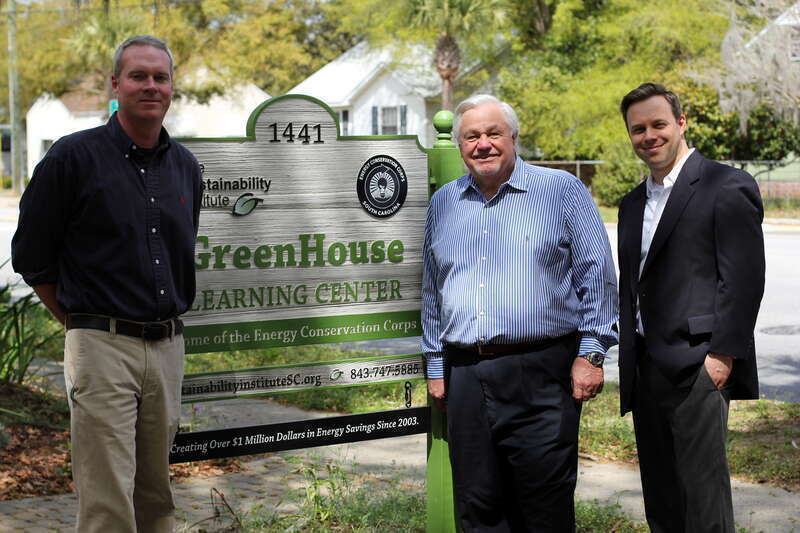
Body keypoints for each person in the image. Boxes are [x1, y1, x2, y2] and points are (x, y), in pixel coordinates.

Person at [12, 35, 202, 532]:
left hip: (166, 349)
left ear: (172, 87)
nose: (151, 86)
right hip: (100, 345)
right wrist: (82, 326)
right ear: (114, 84)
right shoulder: (72, 159)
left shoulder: (185, 167)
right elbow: (32, 258)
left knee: (157, 495)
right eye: (138, 76)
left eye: (160, 77)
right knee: (108, 500)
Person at [422, 94, 618, 532]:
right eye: (471, 136)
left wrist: (592, 354)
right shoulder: (444, 204)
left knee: (543, 507)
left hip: (542, 373)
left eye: (494, 133)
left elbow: (598, 275)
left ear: (513, 138)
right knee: (478, 506)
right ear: (460, 146)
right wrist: (436, 365)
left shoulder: (560, 190)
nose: (483, 144)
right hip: (467, 375)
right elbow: (433, 290)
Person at [616, 82, 765, 533]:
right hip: (645, 367)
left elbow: (743, 281)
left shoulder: (726, 184)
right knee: (661, 498)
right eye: (638, 129)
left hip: (699, 364)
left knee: (703, 502)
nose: (649, 136)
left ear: (681, 123)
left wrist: (722, 356)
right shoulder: (631, 203)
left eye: (658, 124)